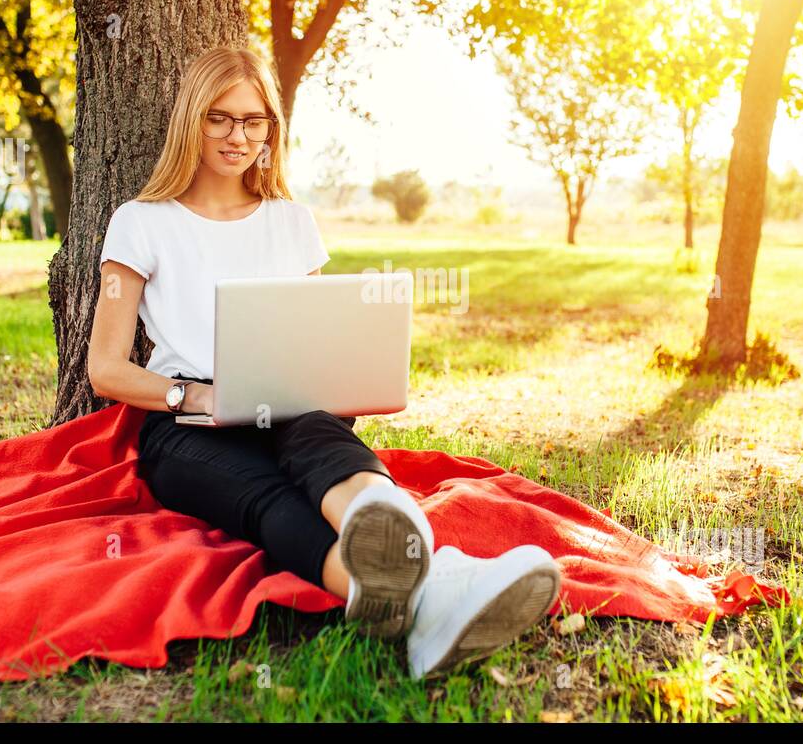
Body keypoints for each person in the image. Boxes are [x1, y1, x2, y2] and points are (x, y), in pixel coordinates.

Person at [87, 45, 560, 680]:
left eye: (255, 122)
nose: (238, 137)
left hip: (288, 403)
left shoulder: (292, 221)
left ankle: (392, 549)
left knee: (313, 431)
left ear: (272, 130)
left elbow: (312, 337)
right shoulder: (140, 222)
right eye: (220, 119)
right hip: (184, 426)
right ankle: (432, 594)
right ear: (191, 121)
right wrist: (192, 397)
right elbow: (105, 369)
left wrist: (342, 377)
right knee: (268, 498)